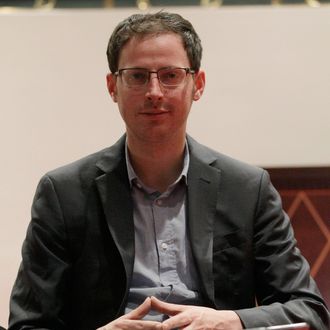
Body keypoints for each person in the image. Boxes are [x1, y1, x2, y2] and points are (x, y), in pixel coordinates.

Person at [9, 11, 329, 330]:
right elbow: (27, 324)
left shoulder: (247, 189)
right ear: (112, 87)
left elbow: (308, 310)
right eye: (137, 76)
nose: (154, 91)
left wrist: (229, 322)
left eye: (170, 75)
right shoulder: (64, 194)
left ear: (197, 84)